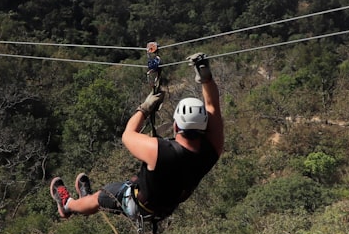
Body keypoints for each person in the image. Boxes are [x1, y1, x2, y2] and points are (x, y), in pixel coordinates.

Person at [49, 53, 224, 224]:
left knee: (102, 196)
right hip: (163, 208)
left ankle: (67, 205)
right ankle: (83, 201)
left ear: (176, 126)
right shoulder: (212, 150)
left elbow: (128, 135)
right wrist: (206, 79)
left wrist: (144, 109)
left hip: (137, 206)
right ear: (204, 125)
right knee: (106, 195)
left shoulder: (160, 151)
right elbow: (212, 106)